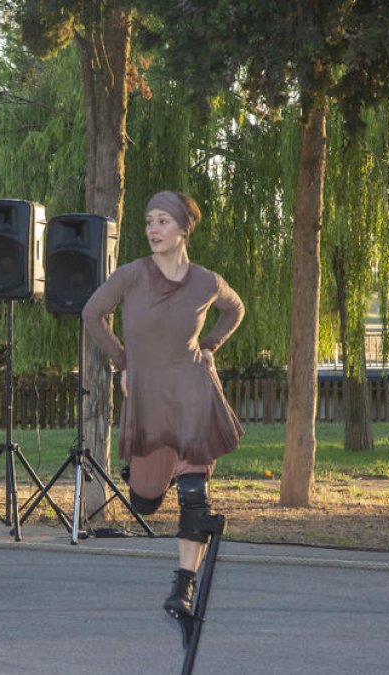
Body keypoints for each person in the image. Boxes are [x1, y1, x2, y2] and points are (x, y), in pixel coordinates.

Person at [82, 190, 245, 626]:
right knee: (145, 502)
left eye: (162, 221)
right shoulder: (132, 276)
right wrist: (123, 362)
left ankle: (182, 588)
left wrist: (209, 345)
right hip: (149, 400)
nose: (153, 229)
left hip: (193, 392)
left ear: (183, 229)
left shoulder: (207, 281)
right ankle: (161, 473)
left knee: (195, 500)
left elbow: (236, 310)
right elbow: (92, 313)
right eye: (149, 221)